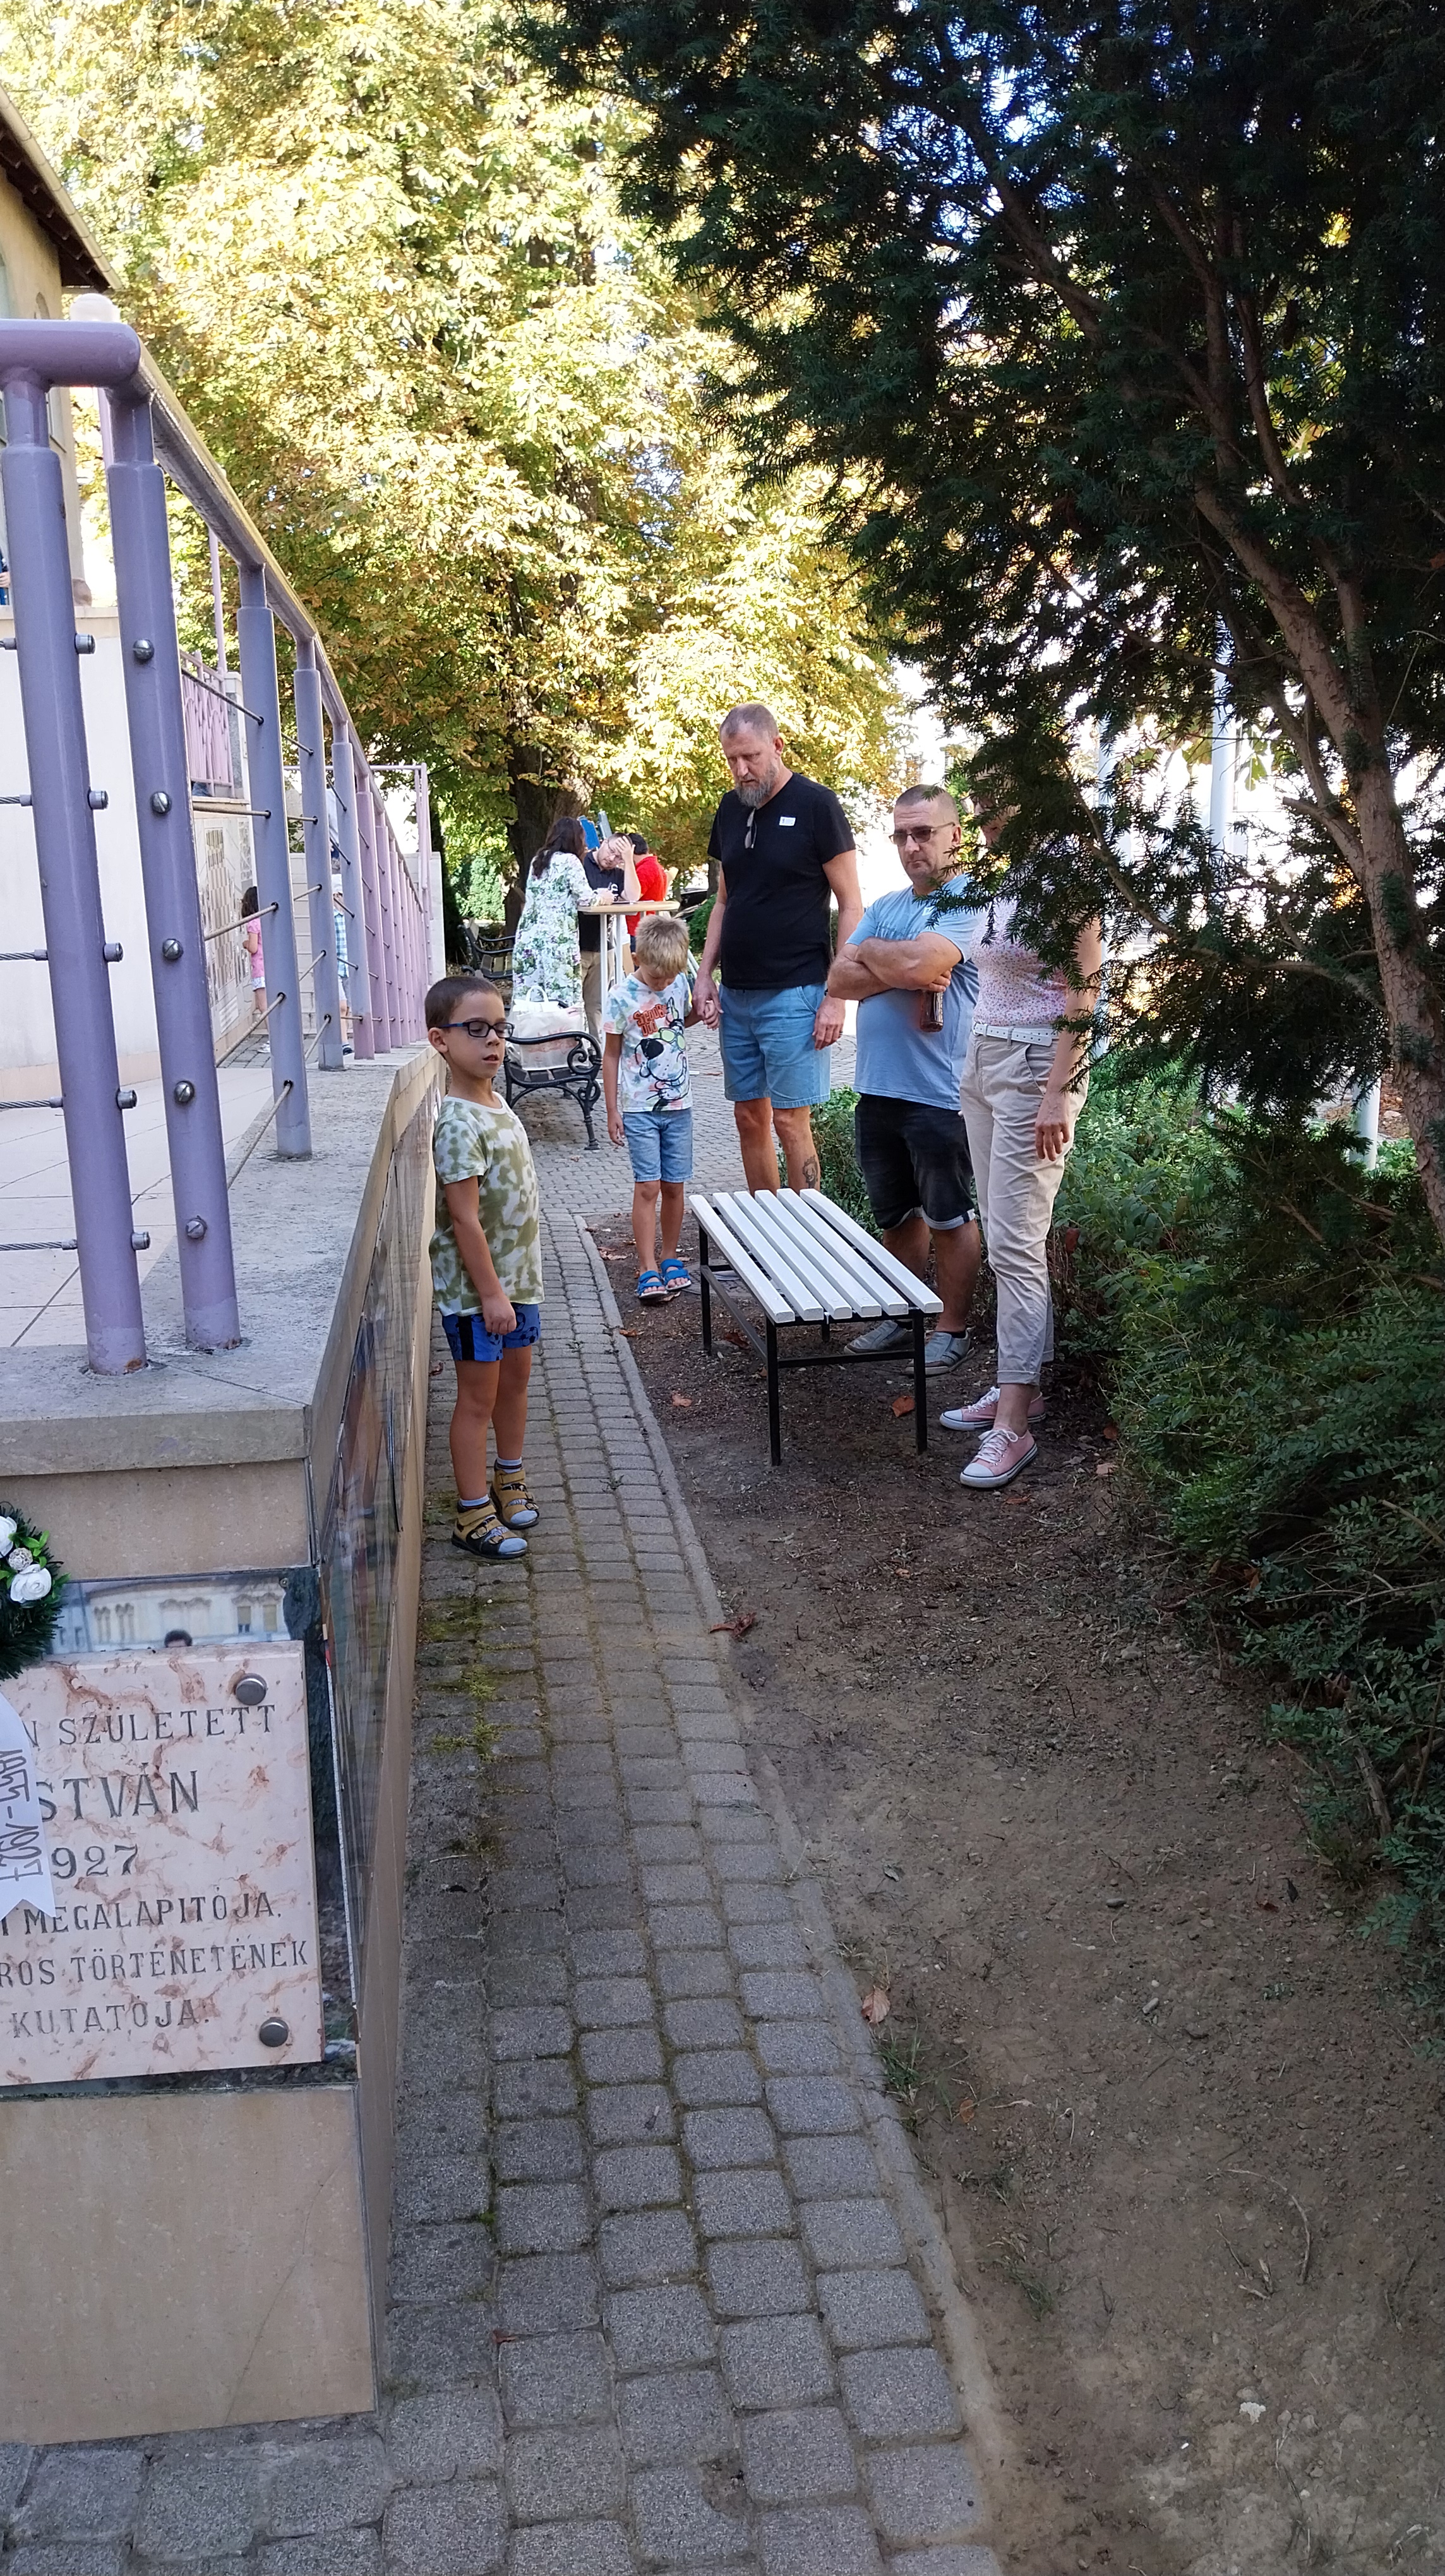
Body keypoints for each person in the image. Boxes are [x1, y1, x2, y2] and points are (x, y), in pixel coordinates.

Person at [950, 801, 1103, 1490]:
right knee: (1006, 1239)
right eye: (979, 798)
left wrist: (1057, 1092)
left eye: (998, 797)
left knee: (1014, 1244)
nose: (985, 812)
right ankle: (1023, 1387)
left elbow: (1084, 992)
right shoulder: (1007, 874)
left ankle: (1014, 1426)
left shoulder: (1069, 875)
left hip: (1036, 1067)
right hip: (984, 1060)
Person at [825, 784, 988, 1373]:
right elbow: (839, 979)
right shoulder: (887, 907)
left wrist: (876, 956)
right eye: (901, 835)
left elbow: (924, 965)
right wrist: (890, 957)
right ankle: (904, 1314)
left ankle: (952, 1329)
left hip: (940, 1093)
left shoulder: (972, 900)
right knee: (896, 1216)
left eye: (923, 833)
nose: (911, 846)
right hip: (878, 1088)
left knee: (949, 1215)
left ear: (955, 836)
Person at [693, 702, 862, 1191]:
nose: (741, 769)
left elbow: (852, 904)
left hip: (796, 994)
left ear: (777, 746)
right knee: (749, 1117)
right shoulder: (729, 809)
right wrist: (705, 975)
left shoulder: (817, 805)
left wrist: (837, 995)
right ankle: (763, 1226)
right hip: (736, 996)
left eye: (750, 756)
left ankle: (808, 1230)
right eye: (732, 759)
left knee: (790, 1122)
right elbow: (723, 901)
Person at [426, 972, 545, 1560]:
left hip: (519, 1283)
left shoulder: (498, 1105)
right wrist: (492, 1295)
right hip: (479, 1294)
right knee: (478, 1398)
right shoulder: (457, 1122)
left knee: (515, 1385)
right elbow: (465, 1219)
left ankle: (509, 1478)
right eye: (476, 1029)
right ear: (440, 1040)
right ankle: (472, 1513)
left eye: (499, 1028)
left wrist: (512, 1290)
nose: (493, 1040)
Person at [603, 912, 699, 1302]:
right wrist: (612, 1109)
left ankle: (670, 1257)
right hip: (639, 1109)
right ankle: (646, 1267)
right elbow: (611, 1055)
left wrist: (702, 1012)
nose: (663, 984)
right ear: (637, 958)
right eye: (657, 977)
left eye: (670, 977)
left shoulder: (679, 983)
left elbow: (679, 1023)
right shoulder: (620, 998)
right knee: (648, 1186)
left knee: (675, 1185)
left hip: (680, 1106)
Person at [510, 819, 639, 1027]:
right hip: (559, 942)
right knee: (564, 1002)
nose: (612, 858)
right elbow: (587, 899)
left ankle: (526, 1038)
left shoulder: (539, 859)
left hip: (531, 940)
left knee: (532, 999)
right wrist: (604, 897)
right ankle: (567, 1041)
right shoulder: (571, 862)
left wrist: (628, 861)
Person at [580, 833, 643, 1034]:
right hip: (577, 945)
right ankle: (572, 1046)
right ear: (604, 842)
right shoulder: (581, 862)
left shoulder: (617, 874)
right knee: (572, 1003)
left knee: (597, 1004)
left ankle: (596, 1047)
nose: (612, 858)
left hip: (603, 947)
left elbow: (633, 896)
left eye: (618, 857)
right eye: (612, 851)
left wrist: (628, 861)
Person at [623, 830, 669, 942]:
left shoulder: (646, 868)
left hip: (640, 929)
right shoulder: (654, 865)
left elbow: (633, 895)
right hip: (648, 927)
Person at [241, 883, 266, 1022]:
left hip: (259, 969)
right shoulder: (265, 920)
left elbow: (253, 947)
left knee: (263, 1006)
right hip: (269, 967)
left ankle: (272, 1034)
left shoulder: (253, 923)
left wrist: (245, 944)